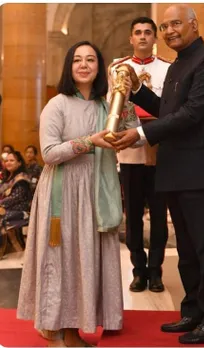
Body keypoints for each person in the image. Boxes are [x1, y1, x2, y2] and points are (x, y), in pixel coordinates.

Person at [112, 4, 204, 345]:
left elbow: (193, 113)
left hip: (202, 173)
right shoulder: (181, 63)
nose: (168, 31)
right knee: (187, 251)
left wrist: (139, 135)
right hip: (176, 172)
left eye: (175, 24)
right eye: (164, 26)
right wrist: (138, 91)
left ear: (194, 26)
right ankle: (193, 311)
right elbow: (167, 111)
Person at [16, 40, 137, 347]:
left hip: (96, 190)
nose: (84, 65)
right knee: (63, 259)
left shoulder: (105, 105)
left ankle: (74, 330)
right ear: (69, 67)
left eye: (91, 60)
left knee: (85, 260)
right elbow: (48, 153)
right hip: (64, 192)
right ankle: (54, 331)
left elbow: (133, 138)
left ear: (100, 68)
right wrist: (89, 142)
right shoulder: (57, 104)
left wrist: (127, 99)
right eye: (78, 60)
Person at [108, 17, 170, 292]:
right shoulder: (117, 68)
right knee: (132, 214)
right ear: (131, 38)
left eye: (148, 32)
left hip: (160, 147)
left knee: (159, 214)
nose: (143, 37)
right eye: (138, 33)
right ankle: (138, 270)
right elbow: (114, 107)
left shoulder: (169, 68)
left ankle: (156, 271)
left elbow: (170, 109)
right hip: (129, 147)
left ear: (155, 38)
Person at [0, 151, 31, 258]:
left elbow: (16, 197)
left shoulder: (21, 178)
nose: (8, 162)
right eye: (6, 160)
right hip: (5, 209)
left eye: (12, 160)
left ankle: (8, 248)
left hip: (20, 211)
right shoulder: (7, 178)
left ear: (19, 163)